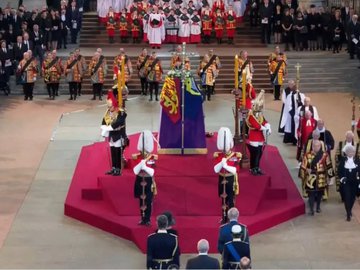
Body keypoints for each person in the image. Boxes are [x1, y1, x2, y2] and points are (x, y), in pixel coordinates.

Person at [299, 140, 335, 215]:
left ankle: (318, 206)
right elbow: (302, 166)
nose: (316, 147)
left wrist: (330, 177)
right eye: (314, 146)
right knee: (311, 194)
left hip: (321, 178)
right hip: (311, 179)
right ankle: (311, 209)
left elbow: (329, 165)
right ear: (312, 146)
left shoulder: (325, 155)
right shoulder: (307, 155)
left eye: (318, 146)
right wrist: (305, 171)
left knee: (320, 194)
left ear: (320, 146)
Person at [214, 127, 241, 224]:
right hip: (221, 178)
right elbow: (215, 169)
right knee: (223, 200)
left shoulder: (235, 155)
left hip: (230, 179)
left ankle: (232, 218)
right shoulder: (218, 155)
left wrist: (226, 165)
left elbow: (235, 170)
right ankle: (224, 217)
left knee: (231, 200)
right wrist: (221, 163)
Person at [132, 130, 157, 226]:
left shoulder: (152, 157)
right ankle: (142, 218)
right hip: (139, 179)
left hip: (148, 179)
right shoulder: (138, 155)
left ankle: (147, 219)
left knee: (148, 200)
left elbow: (152, 169)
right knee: (141, 200)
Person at [101, 91, 127, 176]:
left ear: (114, 105)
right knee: (112, 152)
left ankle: (118, 169)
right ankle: (114, 167)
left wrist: (109, 128)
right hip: (111, 135)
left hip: (118, 135)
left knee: (118, 152)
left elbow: (119, 122)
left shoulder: (121, 112)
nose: (109, 108)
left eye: (110, 106)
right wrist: (104, 127)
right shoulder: (108, 112)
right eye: (108, 106)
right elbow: (104, 121)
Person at [246, 90, 271, 175]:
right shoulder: (250, 115)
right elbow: (256, 125)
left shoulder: (259, 114)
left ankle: (257, 167)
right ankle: (253, 168)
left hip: (260, 137)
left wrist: (268, 126)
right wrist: (264, 128)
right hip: (254, 137)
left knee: (259, 153)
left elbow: (263, 121)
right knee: (255, 154)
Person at [335, 131, 360, 202]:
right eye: (347, 137)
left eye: (350, 137)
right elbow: (337, 155)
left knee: (353, 183)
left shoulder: (357, 145)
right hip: (343, 167)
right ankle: (343, 196)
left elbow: (359, 156)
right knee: (343, 183)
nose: (349, 138)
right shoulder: (341, 144)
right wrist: (340, 163)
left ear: (352, 137)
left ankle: (352, 195)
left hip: (353, 167)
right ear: (345, 137)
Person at [337, 144, 360, 221]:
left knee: (352, 198)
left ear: (354, 153)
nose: (351, 153)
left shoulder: (357, 160)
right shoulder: (343, 160)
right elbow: (339, 171)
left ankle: (349, 210)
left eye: (352, 152)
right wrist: (342, 178)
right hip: (346, 182)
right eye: (349, 152)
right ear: (346, 153)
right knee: (347, 197)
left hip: (354, 182)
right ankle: (348, 214)